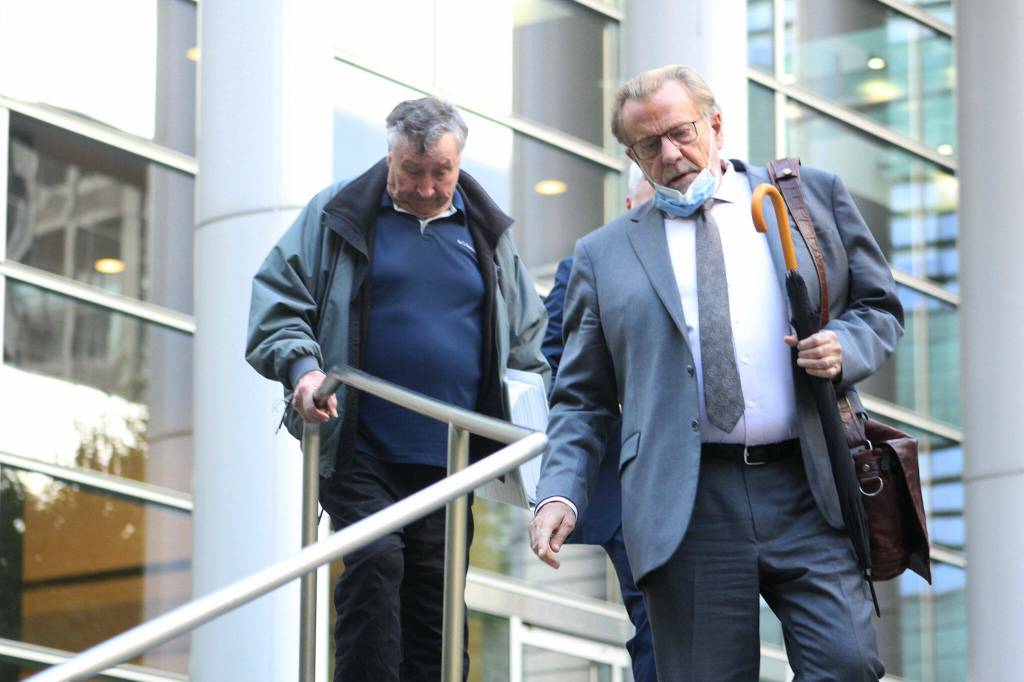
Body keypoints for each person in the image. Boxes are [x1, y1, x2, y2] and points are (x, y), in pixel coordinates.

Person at [529, 65, 903, 680]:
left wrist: (845, 347)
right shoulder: (603, 255)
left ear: (717, 125)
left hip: (809, 485)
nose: (671, 154)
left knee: (849, 665)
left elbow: (879, 307)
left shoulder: (808, 198)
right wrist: (560, 490)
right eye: (650, 145)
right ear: (632, 155)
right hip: (689, 503)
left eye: (682, 132)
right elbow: (581, 398)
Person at [246, 97, 549, 682]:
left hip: (452, 457)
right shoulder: (340, 213)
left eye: (443, 172)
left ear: (459, 163)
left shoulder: (486, 234)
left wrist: (534, 432)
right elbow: (278, 304)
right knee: (375, 564)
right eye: (414, 171)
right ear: (390, 157)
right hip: (360, 445)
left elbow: (527, 348)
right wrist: (304, 370)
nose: (430, 187)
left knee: (436, 605)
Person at [541, 162, 656, 682]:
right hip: (630, 482)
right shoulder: (589, 265)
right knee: (656, 623)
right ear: (631, 208)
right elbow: (556, 370)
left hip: (718, 475)